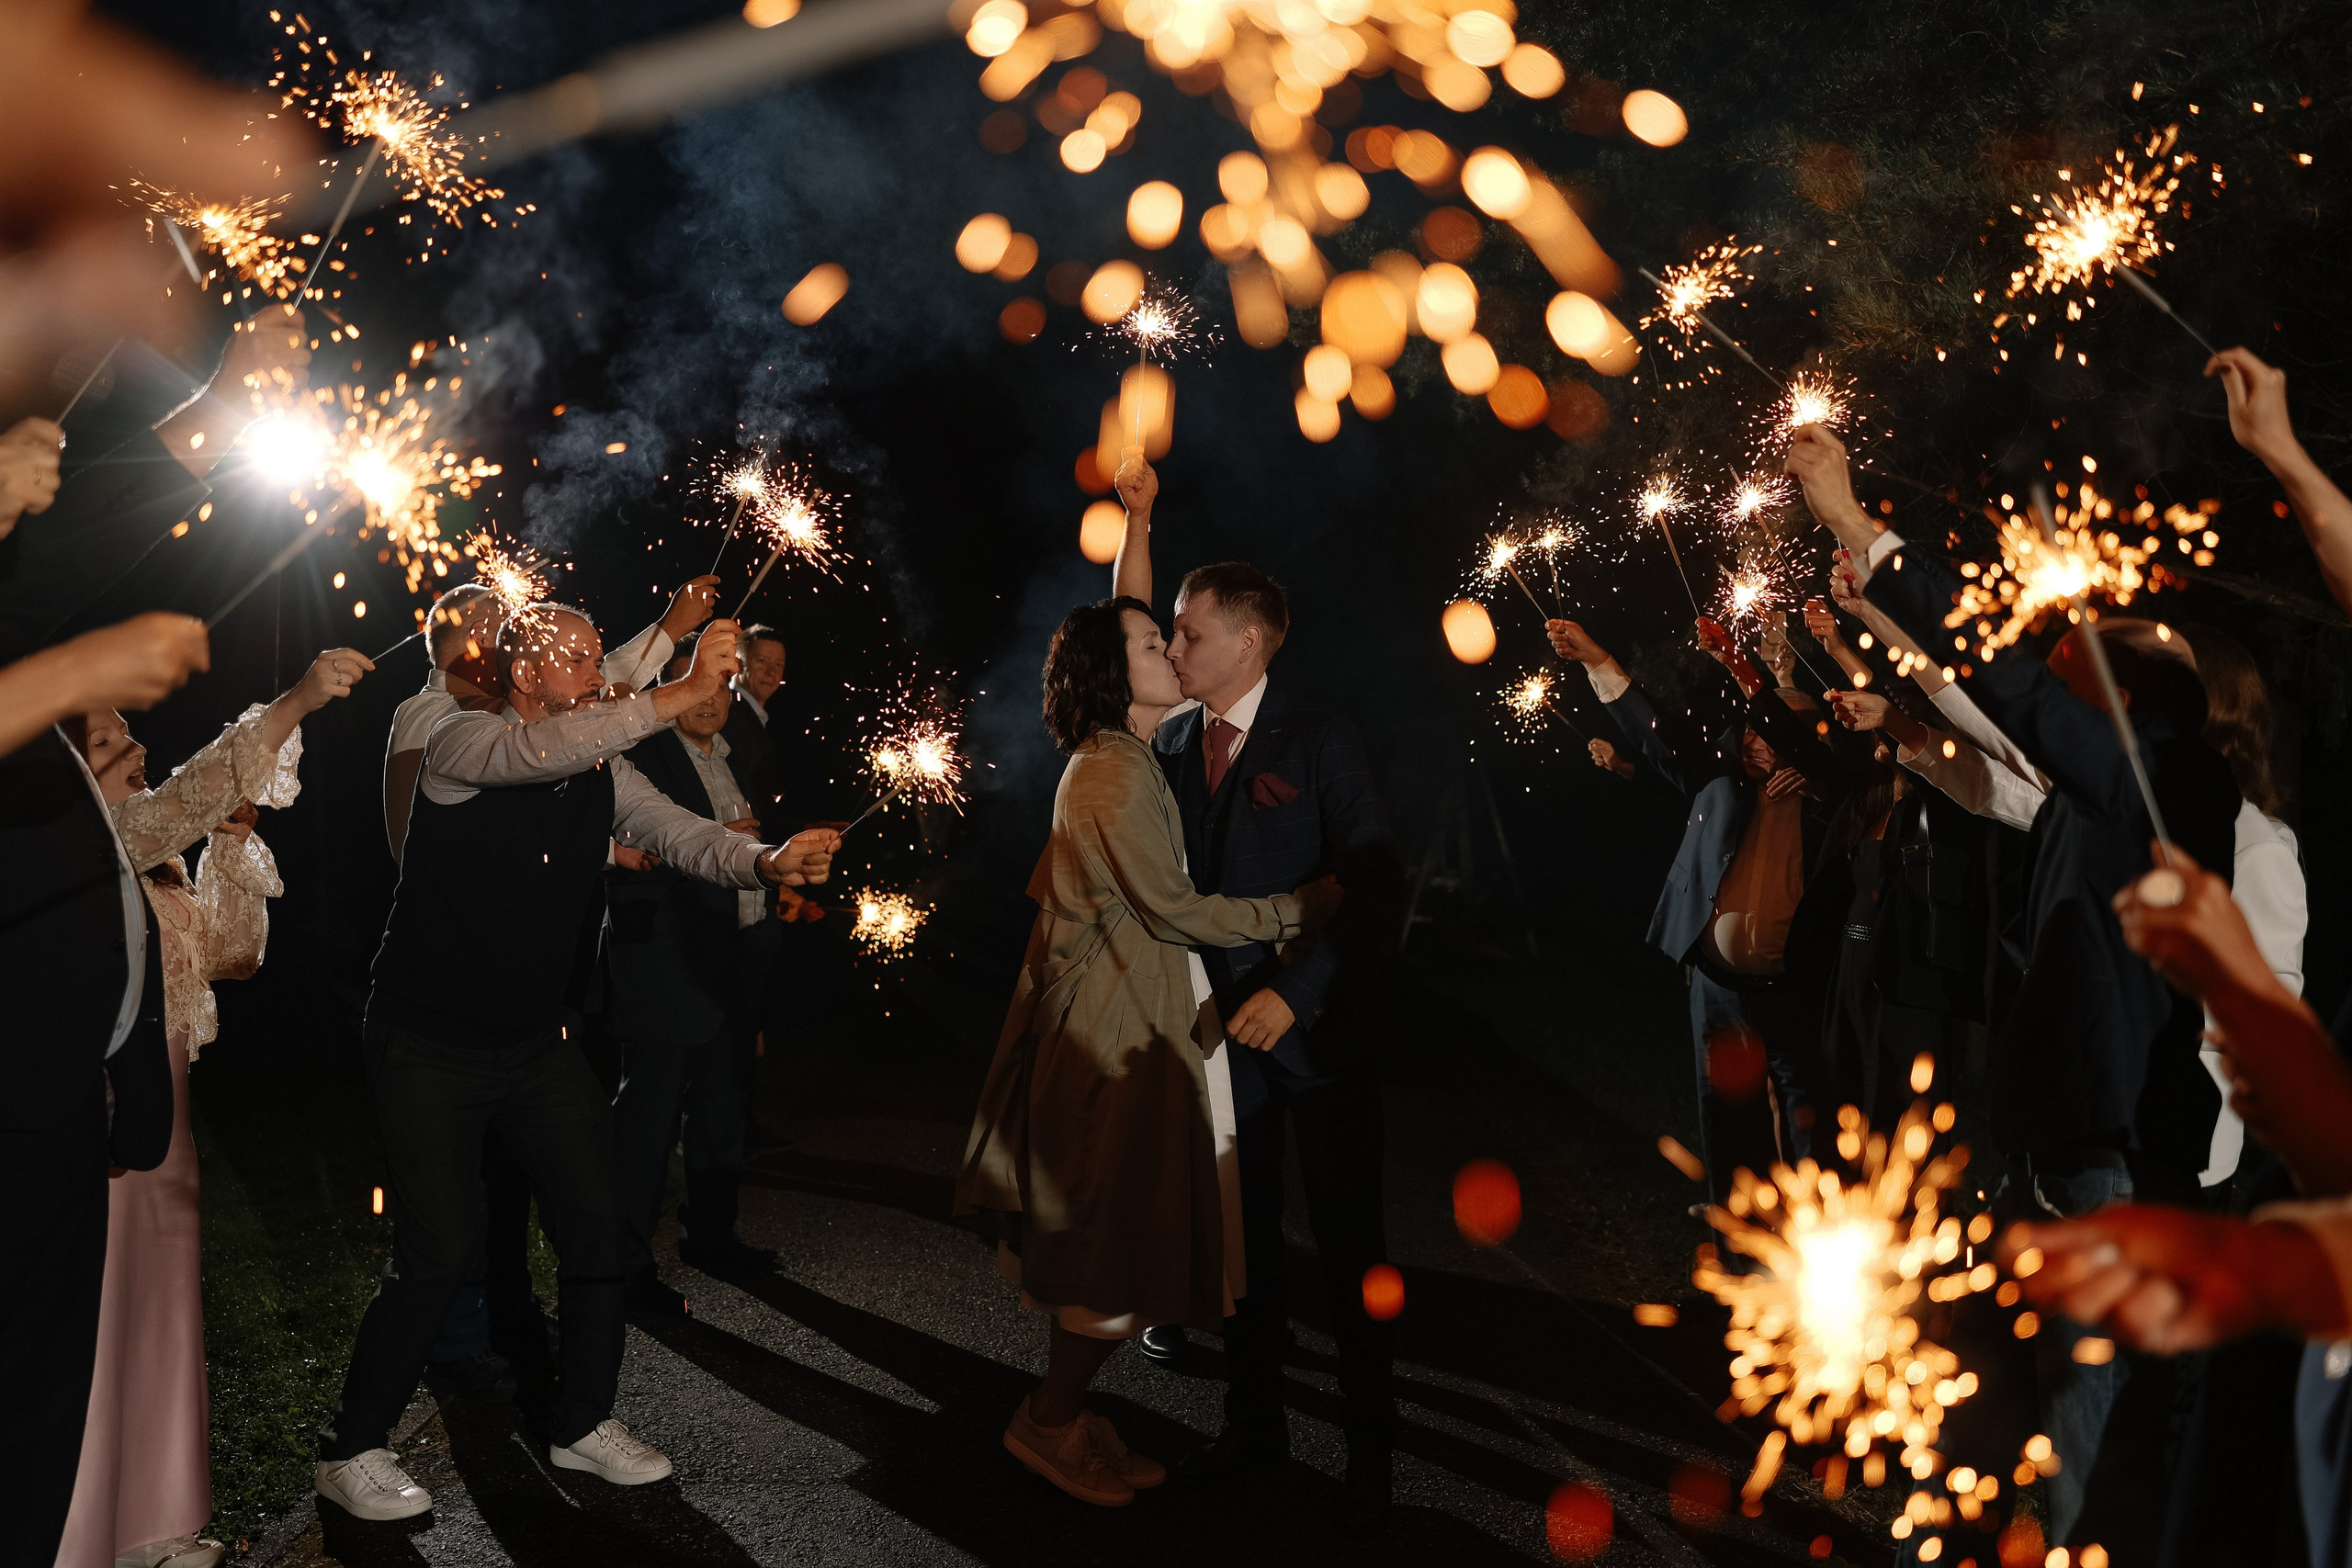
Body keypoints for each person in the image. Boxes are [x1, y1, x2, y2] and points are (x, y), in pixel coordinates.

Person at [1789, 423, 2243, 1551]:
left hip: (2114, 1157)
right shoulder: (2090, 807)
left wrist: (1856, 522)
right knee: (2013, 1387)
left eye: (2084, 677)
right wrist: (1871, 624)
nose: (2058, 682)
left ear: (2137, 701)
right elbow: (1973, 725)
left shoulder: (2167, 782)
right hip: (2052, 1143)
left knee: (2091, 1411)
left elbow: (2011, 697)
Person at [313, 608, 839, 1521]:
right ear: (522, 673)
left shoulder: (597, 763)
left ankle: (580, 1421)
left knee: (600, 1231)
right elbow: (542, 754)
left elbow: (679, 830)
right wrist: (678, 689)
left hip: (530, 1045)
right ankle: (351, 1447)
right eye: (581, 660)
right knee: (436, 1254)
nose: (601, 674)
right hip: (427, 1044)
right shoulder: (459, 739)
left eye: (602, 659)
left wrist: (766, 860)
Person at [956, 594, 1338, 1508]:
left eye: (1167, 636)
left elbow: (1126, 615)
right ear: (1109, 671)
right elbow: (1176, 910)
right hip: (1114, 1032)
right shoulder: (1113, 773)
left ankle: (1062, 1415)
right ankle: (1049, 1423)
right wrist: (1301, 910)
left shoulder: (1123, 754)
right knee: (1108, 1243)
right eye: (1146, 643)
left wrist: (1136, 522)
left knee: (1112, 1238)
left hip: (1130, 1013)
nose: (1167, 649)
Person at [1108, 453, 1401, 1532]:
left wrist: (1299, 988)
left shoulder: (1319, 735)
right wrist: (1137, 519)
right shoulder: (1177, 738)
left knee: (1349, 1246)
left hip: (1316, 1042)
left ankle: (1371, 1453)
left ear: (1250, 639)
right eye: (1173, 632)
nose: (1173, 646)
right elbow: (1122, 629)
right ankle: (1254, 1425)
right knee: (1246, 1248)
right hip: (1212, 1042)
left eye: (1190, 631)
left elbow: (1374, 881)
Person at [58, 649, 363, 1568]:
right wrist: (299, 699)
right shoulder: (87, 852)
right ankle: (76, 1536)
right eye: (108, 738)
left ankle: (153, 1523)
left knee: (157, 1315)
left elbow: (233, 954)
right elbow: (183, 796)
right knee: (94, 1324)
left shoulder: (157, 864)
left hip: (173, 1124)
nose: (134, 742)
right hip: (104, 1118)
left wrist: (230, 841)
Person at [0, 611, 210, 1562]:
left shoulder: (101, 815)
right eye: (104, 733)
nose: (130, 743)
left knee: (58, 1386)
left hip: (87, 1113)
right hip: (25, 1106)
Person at [1546, 613, 1852, 1201]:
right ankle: (1740, 1268)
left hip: (1796, 993)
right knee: (1731, 1131)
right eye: (1755, 730)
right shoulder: (1718, 779)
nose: (1759, 740)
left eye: (1779, 730)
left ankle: (1818, 1262)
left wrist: (1754, 671)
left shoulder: (1828, 803)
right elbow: (1652, 727)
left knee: (1809, 1129)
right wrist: (1596, 660)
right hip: (1718, 992)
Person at [605, 638, 776, 1314]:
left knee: (723, 1106)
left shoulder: (741, 758)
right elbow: (644, 852)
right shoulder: (643, 758)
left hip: (735, 954)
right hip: (668, 959)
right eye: (697, 686)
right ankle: (623, 1267)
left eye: (722, 690)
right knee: (646, 1120)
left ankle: (712, 1232)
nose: (711, 700)